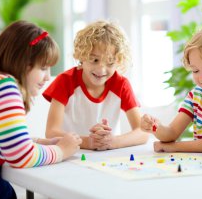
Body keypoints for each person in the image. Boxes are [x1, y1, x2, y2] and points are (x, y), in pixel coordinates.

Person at [0, 21, 82, 199]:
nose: (47, 77)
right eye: (43, 68)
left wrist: (39, 142)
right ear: (22, 62)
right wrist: (62, 150)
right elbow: (21, 155)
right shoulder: (4, 85)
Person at [44, 20, 148, 150]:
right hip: (71, 155)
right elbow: (51, 132)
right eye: (94, 60)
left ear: (119, 61)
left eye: (110, 63)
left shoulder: (121, 84)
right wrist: (89, 142)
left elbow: (143, 132)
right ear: (82, 56)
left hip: (107, 157)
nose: (101, 70)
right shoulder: (65, 81)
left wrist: (112, 142)